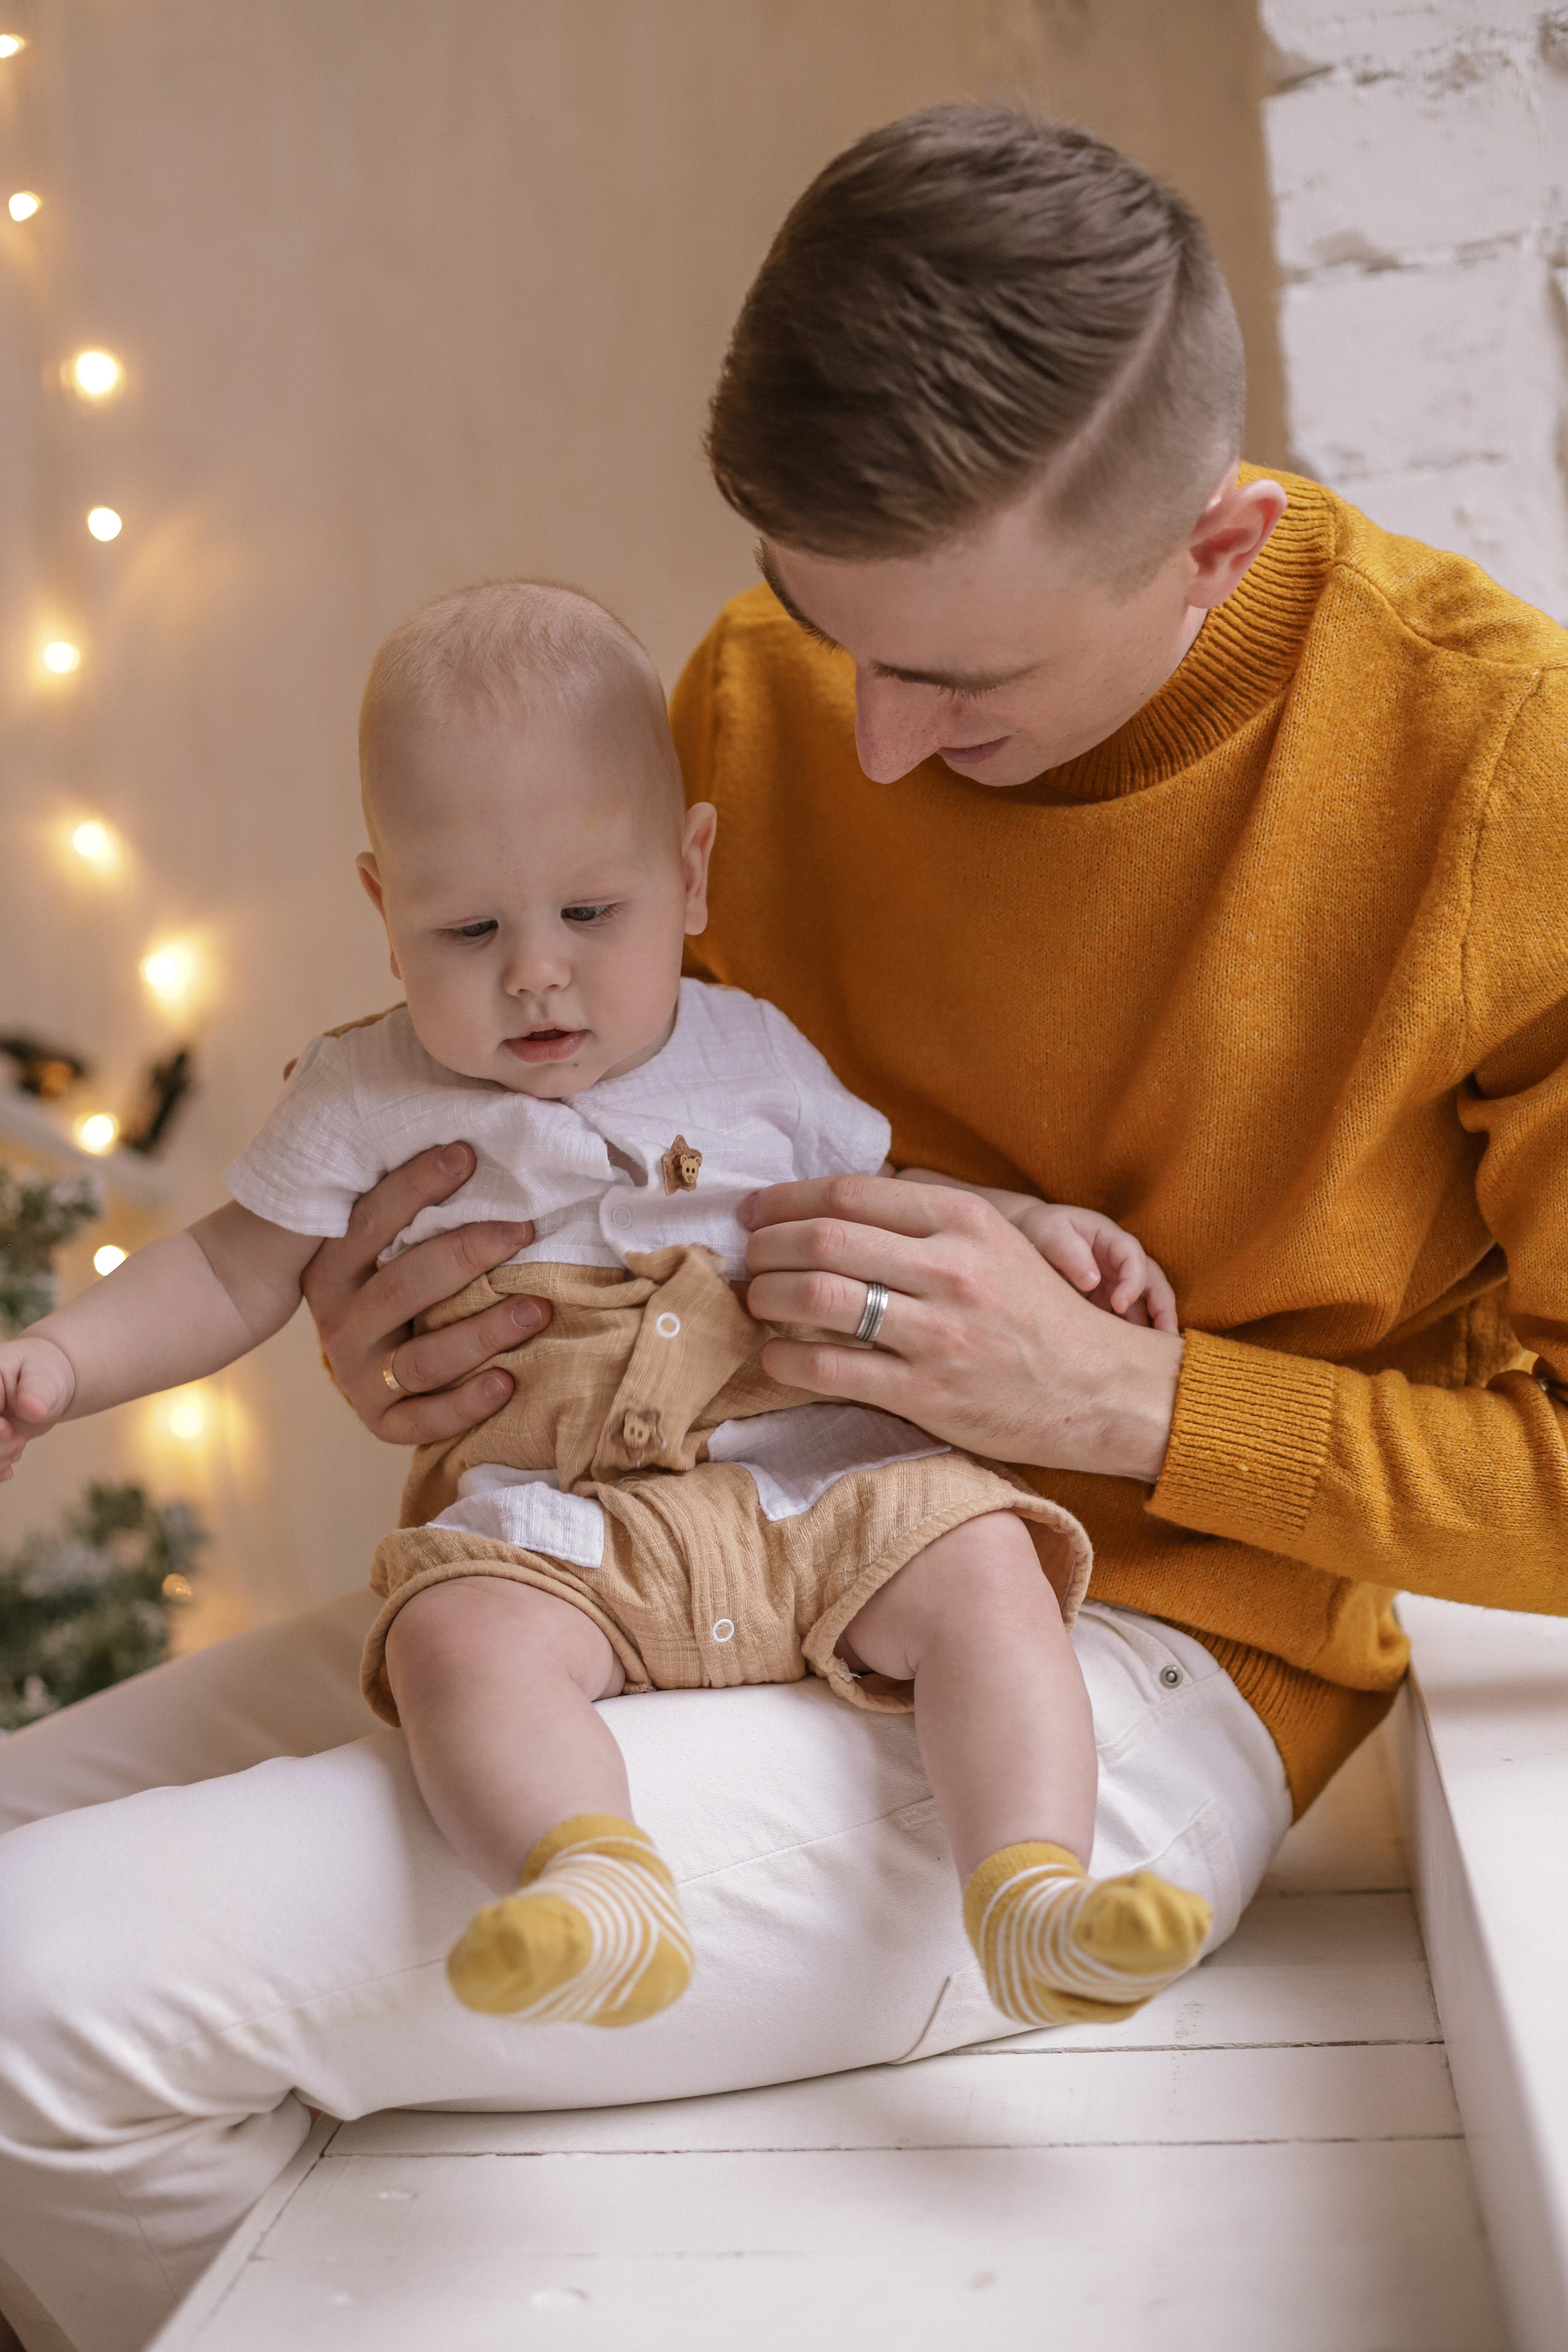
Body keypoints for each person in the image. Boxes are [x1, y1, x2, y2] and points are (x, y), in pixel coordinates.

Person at [1, 99, 1563, 2352]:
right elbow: (610, 1166)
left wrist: (1135, 1399)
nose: (878, 747)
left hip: (1113, 1664)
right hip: (649, 1566)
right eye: (841, 642)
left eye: (966, 688)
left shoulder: (1496, 768)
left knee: (32, 2003)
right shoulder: (771, 686)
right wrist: (394, 1327)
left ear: (1214, 548)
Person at [0, 572, 1207, 2043]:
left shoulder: (754, 1050)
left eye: (590, 910)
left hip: (821, 1494)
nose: (535, 973)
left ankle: (1030, 1888)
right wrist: (57, 1360)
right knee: (450, 1638)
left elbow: (887, 1198)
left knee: (984, 1571)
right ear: (383, 909)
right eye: (466, 929)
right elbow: (225, 1268)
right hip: (561, 1536)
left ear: (689, 876)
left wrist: (1035, 1232)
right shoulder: (366, 1091)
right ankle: (588, 1881)